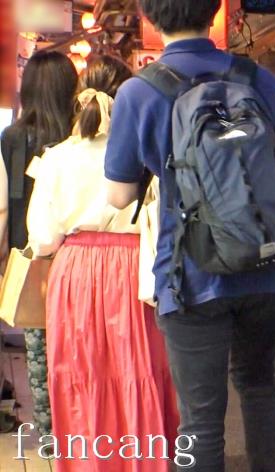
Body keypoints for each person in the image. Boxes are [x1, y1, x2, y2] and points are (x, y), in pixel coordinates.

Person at [104, 1, 275, 470]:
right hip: (267, 266)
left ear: (150, 18)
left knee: (201, 421)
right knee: (259, 386)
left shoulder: (139, 91)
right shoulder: (258, 79)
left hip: (191, 274)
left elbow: (118, 195)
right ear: (215, 11)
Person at [26, 54, 179, 471]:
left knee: (81, 376)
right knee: (139, 371)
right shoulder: (145, 153)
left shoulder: (57, 157)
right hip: (133, 269)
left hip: (74, 272)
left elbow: (43, 238)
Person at [0, 50, 78, 441]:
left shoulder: (12, 138)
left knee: (39, 350)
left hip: (29, 256)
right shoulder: (80, 133)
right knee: (78, 347)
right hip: (78, 256)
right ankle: (81, 429)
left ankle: (50, 436)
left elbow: (6, 203)